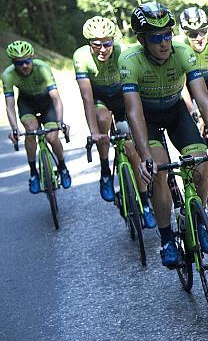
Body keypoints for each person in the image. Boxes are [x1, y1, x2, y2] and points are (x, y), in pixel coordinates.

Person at [119, 1, 208, 267]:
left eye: (167, 35)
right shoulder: (130, 60)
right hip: (147, 119)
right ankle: (167, 239)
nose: (164, 43)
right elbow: (134, 112)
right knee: (158, 172)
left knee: (201, 163)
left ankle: (198, 221)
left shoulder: (183, 52)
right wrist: (145, 154)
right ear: (142, 40)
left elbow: (202, 98)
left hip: (175, 112)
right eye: (156, 38)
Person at [74, 16, 157, 227]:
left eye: (107, 43)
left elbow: (134, 90)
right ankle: (104, 171)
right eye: (96, 44)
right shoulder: (81, 57)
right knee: (102, 118)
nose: (102, 49)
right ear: (88, 44)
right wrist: (94, 132)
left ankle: (145, 202)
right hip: (100, 98)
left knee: (132, 151)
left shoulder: (122, 52)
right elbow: (87, 97)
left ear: (113, 41)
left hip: (120, 97)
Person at [3, 40, 71, 192]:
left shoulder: (42, 68)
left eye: (27, 61)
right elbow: (10, 105)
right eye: (19, 63)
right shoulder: (8, 75)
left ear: (32, 58)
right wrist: (14, 129)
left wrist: (60, 121)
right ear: (13, 63)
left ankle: (62, 167)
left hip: (47, 103)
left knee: (52, 138)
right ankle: (34, 172)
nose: (24, 66)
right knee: (30, 129)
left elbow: (56, 98)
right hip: (27, 104)